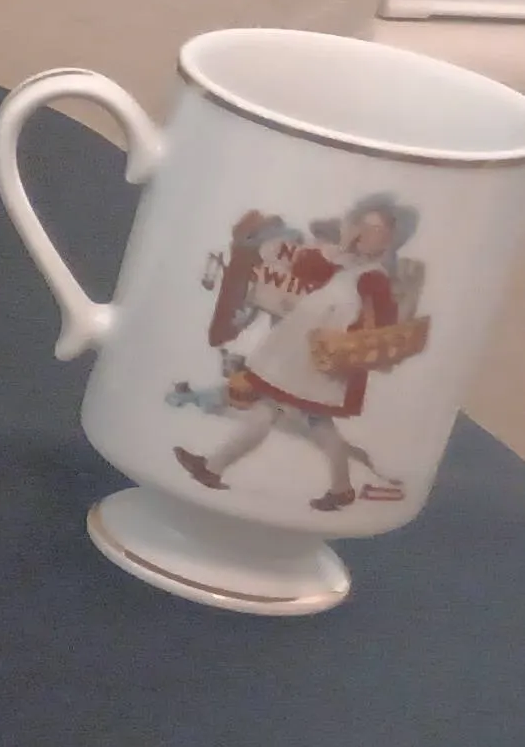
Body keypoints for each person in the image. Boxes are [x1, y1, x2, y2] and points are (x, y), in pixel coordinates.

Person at [176, 197, 428, 511]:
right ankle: (214, 467)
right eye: (362, 226)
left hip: (320, 363)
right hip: (297, 358)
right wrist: (341, 249)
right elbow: (305, 269)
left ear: (388, 240)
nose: (365, 234)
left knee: (307, 419)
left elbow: (383, 322)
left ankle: (216, 468)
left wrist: (348, 332)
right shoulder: (347, 263)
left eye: (375, 230)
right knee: (285, 413)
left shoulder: (374, 277)